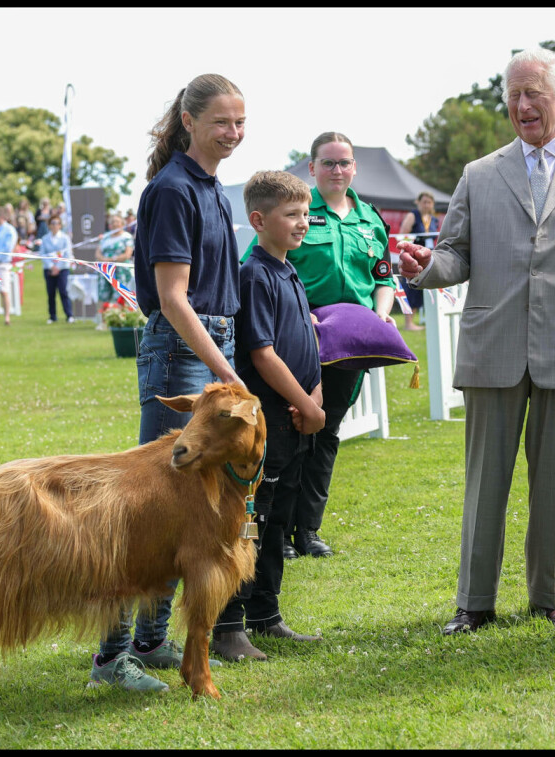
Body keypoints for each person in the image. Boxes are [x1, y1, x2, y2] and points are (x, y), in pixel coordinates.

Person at [398, 47, 555, 634]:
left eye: (533, 92)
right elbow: (456, 253)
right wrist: (427, 267)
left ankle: (547, 598)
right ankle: (473, 603)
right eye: (512, 93)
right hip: (493, 348)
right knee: (485, 484)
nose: (521, 104)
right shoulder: (479, 175)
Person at [88, 73, 246, 693]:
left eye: (240, 122)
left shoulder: (213, 189)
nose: (232, 133)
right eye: (221, 123)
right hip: (184, 351)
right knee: (148, 506)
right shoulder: (173, 190)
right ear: (189, 121)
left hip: (212, 347)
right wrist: (224, 371)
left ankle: (152, 640)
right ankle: (111, 657)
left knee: (190, 504)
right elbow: (175, 300)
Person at [245, 132, 395, 561]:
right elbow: (262, 267)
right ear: (311, 168)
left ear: (354, 167)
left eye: (344, 163)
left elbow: (383, 277)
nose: (337, 171)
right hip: (298, 344)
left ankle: (307, 530)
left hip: (350, 345)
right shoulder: (292, 210)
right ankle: (272, 532)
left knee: (327, 435)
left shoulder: (370, 219)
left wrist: (380, 315)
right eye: (328, 163)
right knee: (288, 436)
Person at [211, 170, 324, 662]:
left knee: (277, 521)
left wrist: (313, 397)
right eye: (291, 215)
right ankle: (229, 626)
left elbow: (308, 343)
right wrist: (307, 403)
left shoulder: (289, 269)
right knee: (248, 521)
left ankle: (266, 614)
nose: (302, 223)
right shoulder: (254, 274)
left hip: (295, 417)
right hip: (263, 423)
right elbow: (262, 353)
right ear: (258, 220)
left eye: (305, 214)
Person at [396, 192, 440, 330]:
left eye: (429, 202)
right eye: (424, 202)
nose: (426, 205)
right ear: (418, 202)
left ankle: (421, 320)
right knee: (411, 289)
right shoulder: (412, 216)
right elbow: (403, 236)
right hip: (413, 258)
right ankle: (408, 323)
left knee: (423, 289)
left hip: (428, 258)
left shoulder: (433, 220)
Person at [38, 215, 76, 324]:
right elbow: (43, 254)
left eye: (57, 223)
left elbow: (67, 254)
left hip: (62, 268)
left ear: (60, 225)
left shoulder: (65, 238)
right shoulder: (45, 239)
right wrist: (51, 267)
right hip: (49, 269)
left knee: (63, 291)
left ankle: (69, 315)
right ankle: (52, 316)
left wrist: (58, 267)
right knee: (51, 293)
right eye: (52, 223)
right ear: (49, 225)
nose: (54, 225)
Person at [95, 212, 135, 309]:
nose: (114, 224)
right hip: (105, 270)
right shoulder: (105, 237)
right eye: (112, 222)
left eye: (117, 221)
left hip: (121, 270)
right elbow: (97, 253)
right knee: (104, 296)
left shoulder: (126, 237)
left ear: (122, 223)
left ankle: (121, 320)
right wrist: (104, 260)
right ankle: (104, 320)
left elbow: (127, 254)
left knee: (121, 296)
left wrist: (111, 259)